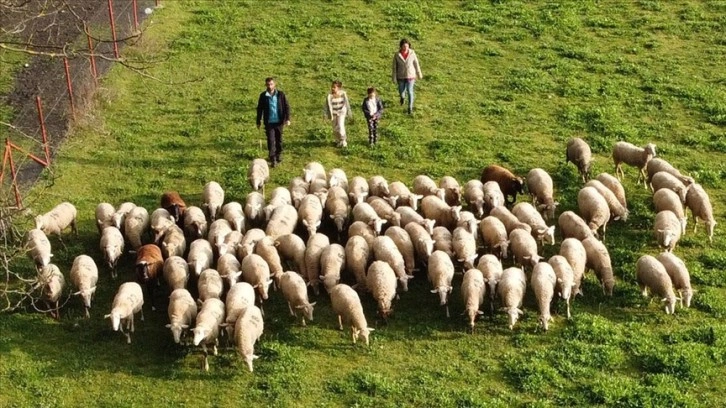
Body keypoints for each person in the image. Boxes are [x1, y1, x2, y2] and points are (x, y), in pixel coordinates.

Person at [256, 77, 290, 167]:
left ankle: (278, 155)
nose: (270, 86)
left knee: (279, 140)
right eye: (268, 84)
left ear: (274, 84)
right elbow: (260, 109)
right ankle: (272, 158)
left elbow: (286, 107)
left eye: (271, 84)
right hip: (269, 122)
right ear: (266, 85)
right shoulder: (263, 96)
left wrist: (287, 119)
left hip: (279, 122)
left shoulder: (281, 94)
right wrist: (258, 120)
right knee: (271, 140)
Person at [392, 38, 422, 115]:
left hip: (410, 76)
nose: (405, 48)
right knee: (402, 92)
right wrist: (394, 77)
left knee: (410, 91)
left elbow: (416, 63)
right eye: (404, 46)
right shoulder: (397, 55)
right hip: (401, 76)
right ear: (401, 46)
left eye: (407, 46)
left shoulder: (412, 53)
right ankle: (402, 98)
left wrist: (419, 73)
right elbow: (394, 67)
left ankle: (410, 107)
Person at [324, 80, 352, 148]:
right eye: (332, 87)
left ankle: (343, 140)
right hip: (333, 113)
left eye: (334, 87)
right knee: (335, 127)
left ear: (339, 88)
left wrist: (349, 113)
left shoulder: (343, 94)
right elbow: (326, 106)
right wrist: (324, 115)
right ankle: (337, 140)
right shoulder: (329, 96)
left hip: (341, 112)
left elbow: (347, 104)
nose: (332, 88)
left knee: (340, 125)